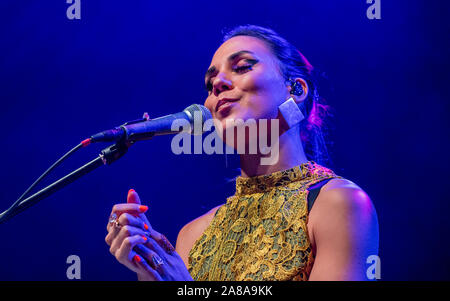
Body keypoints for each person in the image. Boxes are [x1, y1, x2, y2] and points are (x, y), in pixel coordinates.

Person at [105, 25, 379, 281]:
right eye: (210, 83)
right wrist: (148, 271)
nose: (218, 84)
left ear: (296, 89)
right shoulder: (192, 235)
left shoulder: (338, 204)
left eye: (242, 67)